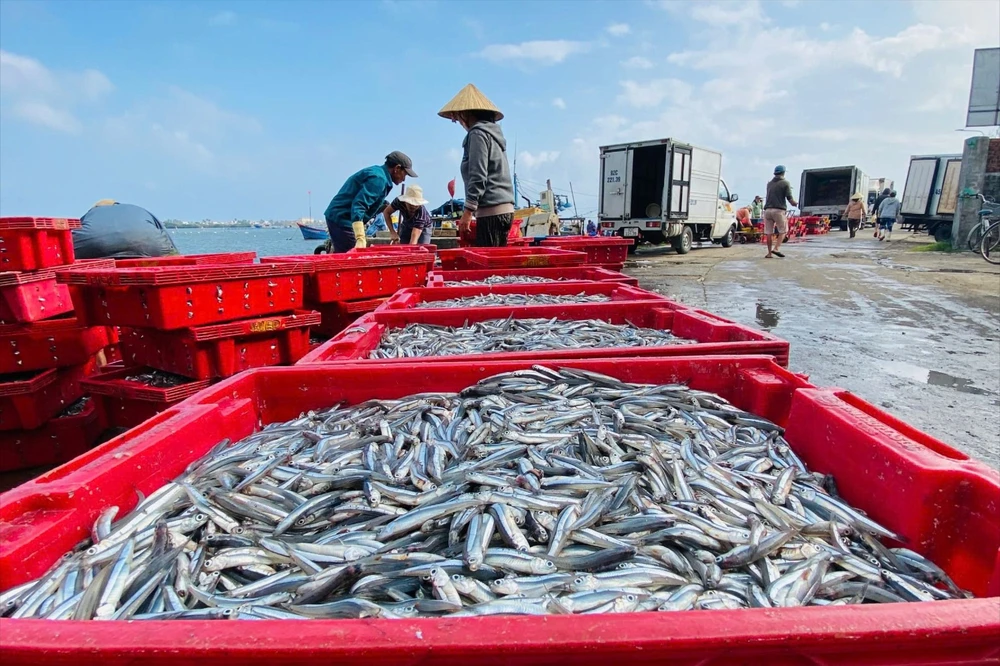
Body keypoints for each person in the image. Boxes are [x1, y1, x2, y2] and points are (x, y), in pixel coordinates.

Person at [438, 84, 515, 247]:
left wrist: (467, 212)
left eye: (457, 117)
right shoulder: (492, 134)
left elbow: (478, 175)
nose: (458, 121)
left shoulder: (477, 134)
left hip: (491, 212)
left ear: (465, 114)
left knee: (490, 269)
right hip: (503, 210)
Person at [323, 151, 417, 252]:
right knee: (352, 258)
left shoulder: (379, 174)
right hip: (342, 219)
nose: (404, 179)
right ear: (397, 168)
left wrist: (383, 205)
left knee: (344, 255)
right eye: (405, 174)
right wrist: (360, 236)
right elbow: (359, 205)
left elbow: (371, 201)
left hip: (341, 217)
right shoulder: (379, 179)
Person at [73, 200, 180, 259]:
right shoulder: (138, 210)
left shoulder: (90, 214)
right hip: (148, 245)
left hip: (95, 247)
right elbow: (169, 243)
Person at [763, 165, 798, 258]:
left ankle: (769, 253)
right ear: (783, 173)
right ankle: (776, 249)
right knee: (783, 230)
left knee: (769, 232)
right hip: (778, 210)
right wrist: (796, 204)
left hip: (767, 210)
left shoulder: (769, 184)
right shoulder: (785, 183)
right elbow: (790, 199)